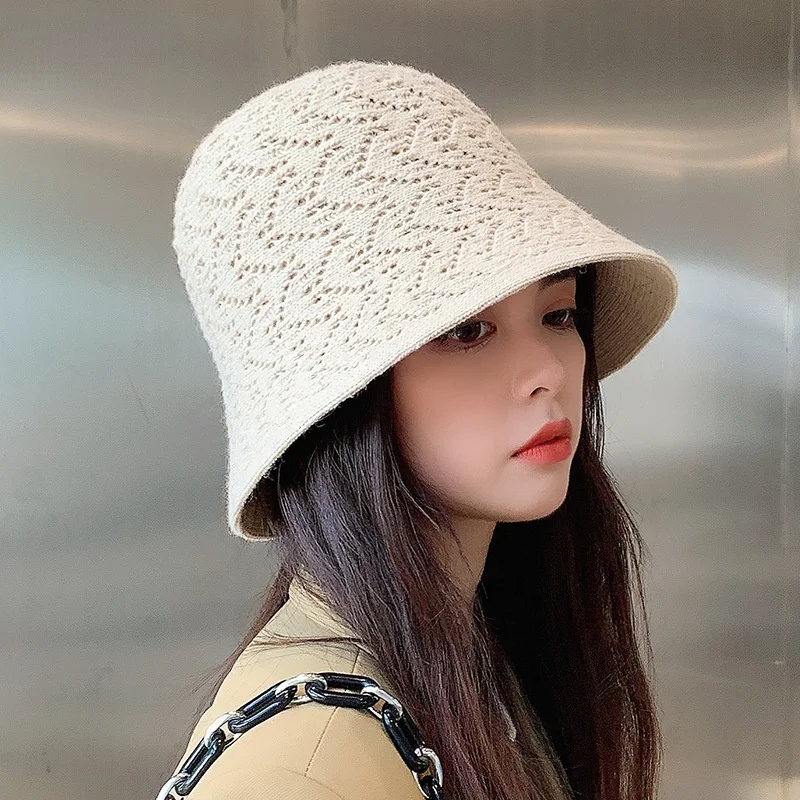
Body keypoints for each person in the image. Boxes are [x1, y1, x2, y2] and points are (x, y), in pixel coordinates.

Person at [157, 60, 679, 800]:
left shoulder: (473, 656)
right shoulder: (304, 768)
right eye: (466, 330)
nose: (548, 370)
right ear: (341, 397)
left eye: (558, 314)